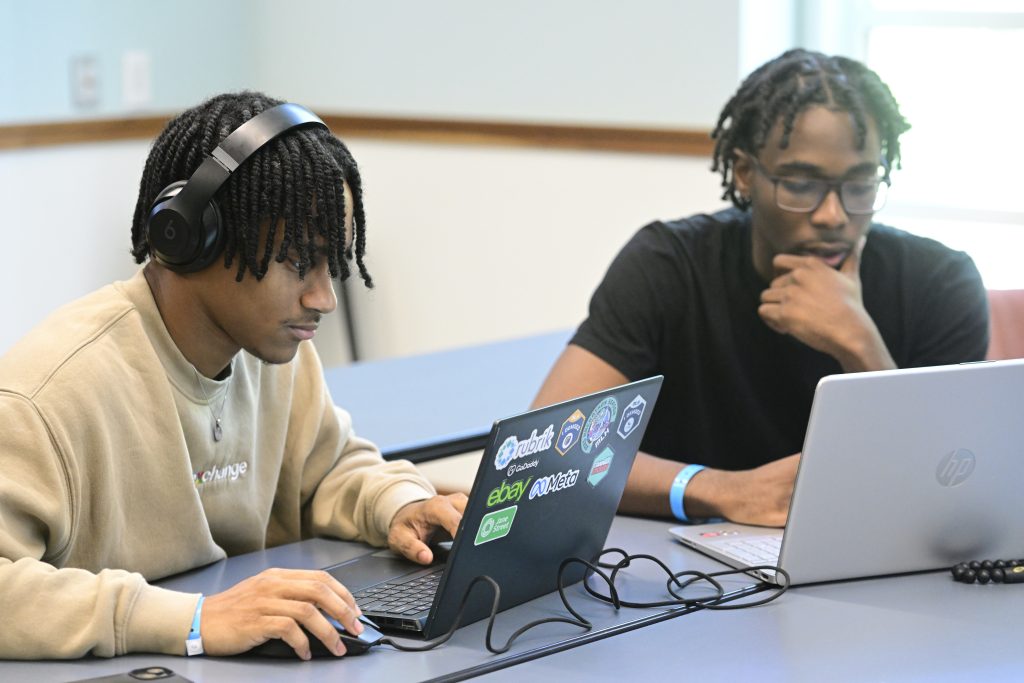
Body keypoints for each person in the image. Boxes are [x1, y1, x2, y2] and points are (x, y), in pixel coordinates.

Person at [0, 92, 465, 660]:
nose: (324, 298)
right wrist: (193, 620)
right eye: (299, 263)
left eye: (333, 266)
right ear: (190, 238)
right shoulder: (46, 396)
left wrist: (398, 505)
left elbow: (326, 470)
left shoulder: (272, 352)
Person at [532, 49, 988, 528]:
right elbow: (554, 451)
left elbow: (952, 484)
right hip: (680, 564)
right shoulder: (669, 265)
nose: (833, 215)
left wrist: (859, 346)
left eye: (860, 184)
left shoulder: (941, 281)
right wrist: (718, 490)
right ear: (746, 174)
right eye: (800, 184)